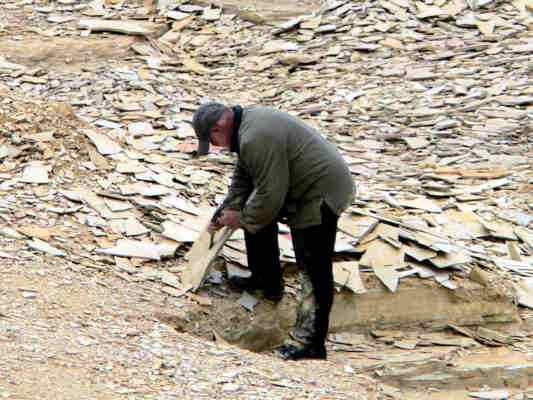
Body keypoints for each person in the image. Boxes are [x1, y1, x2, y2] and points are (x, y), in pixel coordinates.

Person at [192, 102, 355, 361]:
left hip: (321, 193)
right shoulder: (245, 129)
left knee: (313, 268)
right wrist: (227, 209)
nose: (215, 146)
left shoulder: (256, 136)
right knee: (251, 215)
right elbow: (244, 177)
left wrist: (241, 217)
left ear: (219, 127)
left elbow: (270, 194)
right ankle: (266, 282)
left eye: (212, 140)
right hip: (299, 187)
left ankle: (310, 343)